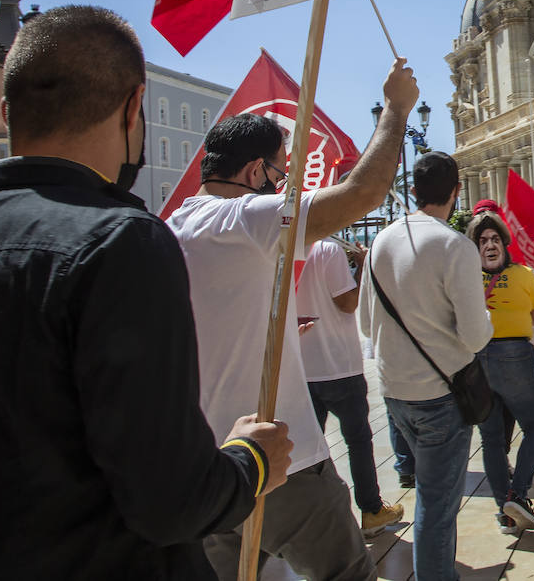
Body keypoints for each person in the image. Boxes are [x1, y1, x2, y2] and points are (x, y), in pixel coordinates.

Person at [0, 6, 292, 578]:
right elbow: (172, 500)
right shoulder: (123, 243)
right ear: (133, 108)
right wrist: (251, 459)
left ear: (4, 112)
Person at [168, 57, 420, 581]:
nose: (284, 183)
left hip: (202, 464)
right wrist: (395, 110)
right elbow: (363, 195)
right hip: (280, 459)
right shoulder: (243, 217)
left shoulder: (169, 228)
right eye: (282, 173)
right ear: (254, 172)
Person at [360, 151, 492, 581]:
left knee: (429, 498)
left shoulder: (381, 241)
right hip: (442, 394)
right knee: (436, 507)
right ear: (456, 191)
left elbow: (365, 323)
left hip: (394, 391)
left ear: (414, 191)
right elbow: (475, 336)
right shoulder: (455, 246)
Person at [296, 238, 404, 533]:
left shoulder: (283, 248)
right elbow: (347, 303)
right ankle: (371, 510)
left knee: (310, 449)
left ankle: (313, 519)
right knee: (358, 441)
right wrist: (361, 267)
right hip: (339, 364)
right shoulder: (327, 250)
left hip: (302, 366)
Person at [468, 211, 534, 534]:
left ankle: (505, 510)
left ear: (502, 243)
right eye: (484, 241)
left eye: (493, 240)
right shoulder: (523, 274)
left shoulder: (465, 278)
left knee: (491, 439)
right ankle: (517, 495)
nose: (490, 245)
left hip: (477, 360)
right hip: (513, 355)